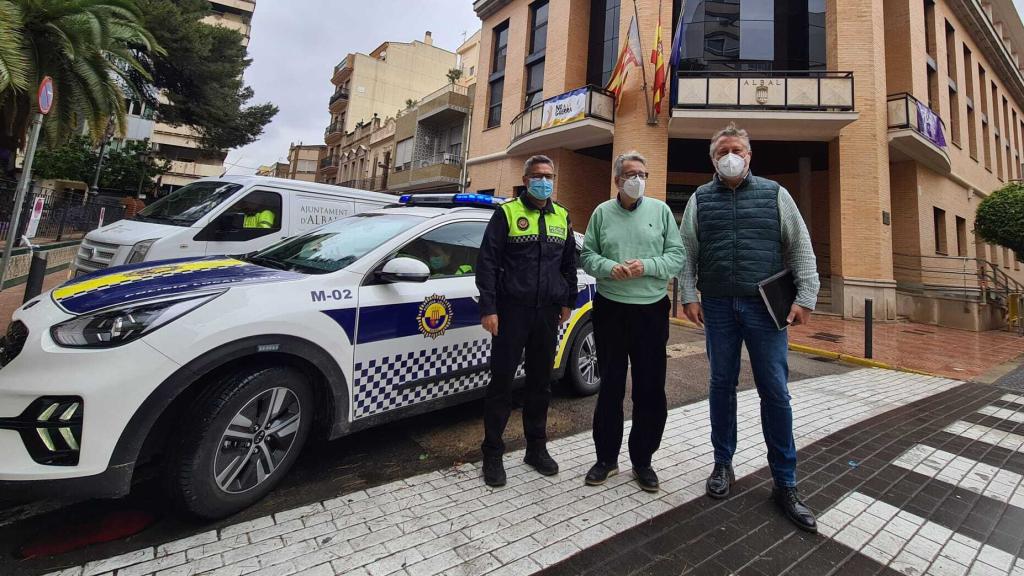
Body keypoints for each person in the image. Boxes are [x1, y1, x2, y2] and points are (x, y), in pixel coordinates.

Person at [678, 123, 820, 532]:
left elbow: (799, 245)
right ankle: (723, 464)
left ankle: (786, 482)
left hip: (765, 308)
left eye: (736, 148)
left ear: (750, 155)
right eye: (722, 151)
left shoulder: (776, 194)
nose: (730, 155)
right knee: (721, 385)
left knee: (774, 391)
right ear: (712, 159)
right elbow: (687, 251)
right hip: (719, 305)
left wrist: (806, 296)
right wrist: (688, 293)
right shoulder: (701, 199)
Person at [580, 151, 685, 492]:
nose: (636, 179)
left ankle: (643, 460)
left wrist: (648, 266)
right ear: (617, 180)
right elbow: (587, 254)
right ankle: (606, 459)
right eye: (629, 174)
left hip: (651, 311)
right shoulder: (601, 213)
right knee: (609, 386)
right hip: (611, 308)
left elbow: (677, 257)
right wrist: (609, 267)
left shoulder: (662, 212)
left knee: (650, 389)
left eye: (642, 173)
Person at [475, 154, 578, 487]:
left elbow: (569, 265)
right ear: (526, 179)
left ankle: (536, 448)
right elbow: (487, 263)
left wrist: (567, 301)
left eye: (548, 175)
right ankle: (492, 452)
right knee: (501, 383)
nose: (543, 181)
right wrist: (489, 308)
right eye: (537, 176)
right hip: (511, 312)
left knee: (540, 384)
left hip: (547, 313)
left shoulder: (562, 215)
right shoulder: (507, 214)